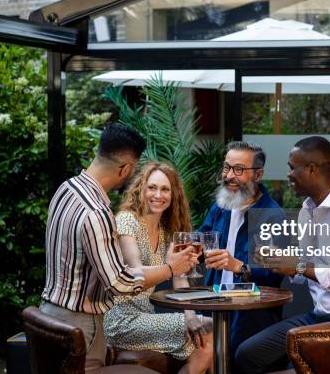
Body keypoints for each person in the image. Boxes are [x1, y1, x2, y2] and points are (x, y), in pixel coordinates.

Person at [40, 123, 198, 371]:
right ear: (126, 168)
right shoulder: (97, 212)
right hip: (81, 323)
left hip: (49, 315)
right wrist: (170, 268)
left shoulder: (66, 189)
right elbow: (120, 283)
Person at [235, 136, 330, 374]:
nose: (288, 174)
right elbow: (308, 268)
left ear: (312, 169)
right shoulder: (307, 211)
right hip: (319, 317)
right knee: (249, 354)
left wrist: (299, 266)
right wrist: (280, 262)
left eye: (292, 168)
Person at [103, 161, 213, 374]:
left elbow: (179, 276)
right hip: (121, 320)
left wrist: (190, 315)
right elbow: (136, 274)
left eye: (165, 189)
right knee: (208, 334)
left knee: (206, 333)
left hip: (146, 316)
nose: (158, 194)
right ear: (141, 190)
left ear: (173, 196)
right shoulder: (127, 221)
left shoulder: (166, 231)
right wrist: (170, 266)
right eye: (152, 187)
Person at [199, 141, 284, 364]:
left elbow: (273, 274)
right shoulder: (220, 206)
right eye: (227, 167)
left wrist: (237, 265)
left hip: (250, 315)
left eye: (239, 170)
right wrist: (190, 247)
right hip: (213, 307)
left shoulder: (272, 216)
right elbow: (203, 238)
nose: (229, 176)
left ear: (258, 174)